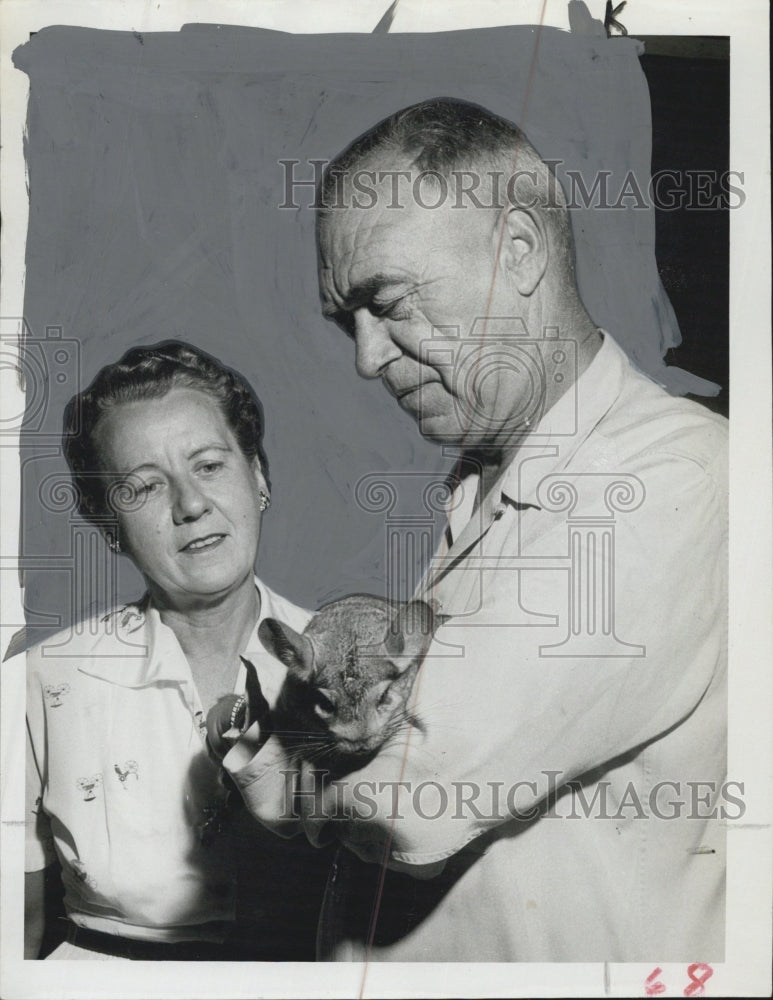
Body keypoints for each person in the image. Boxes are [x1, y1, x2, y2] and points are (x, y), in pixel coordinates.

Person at [223, 98, 729, 962]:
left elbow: (411, 796)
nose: (366, 357)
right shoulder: (480, 486)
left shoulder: (673, 475)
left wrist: (281, 763)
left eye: (387, 303)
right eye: (348, 321)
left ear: (518, 252)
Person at [22, 341, 332, 960]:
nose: (191, 506)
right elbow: (16, 933)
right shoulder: (38, 684)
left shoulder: (345, 668)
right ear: (109, 524)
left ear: (259, 475)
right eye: (144, 487)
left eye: (210, 465)